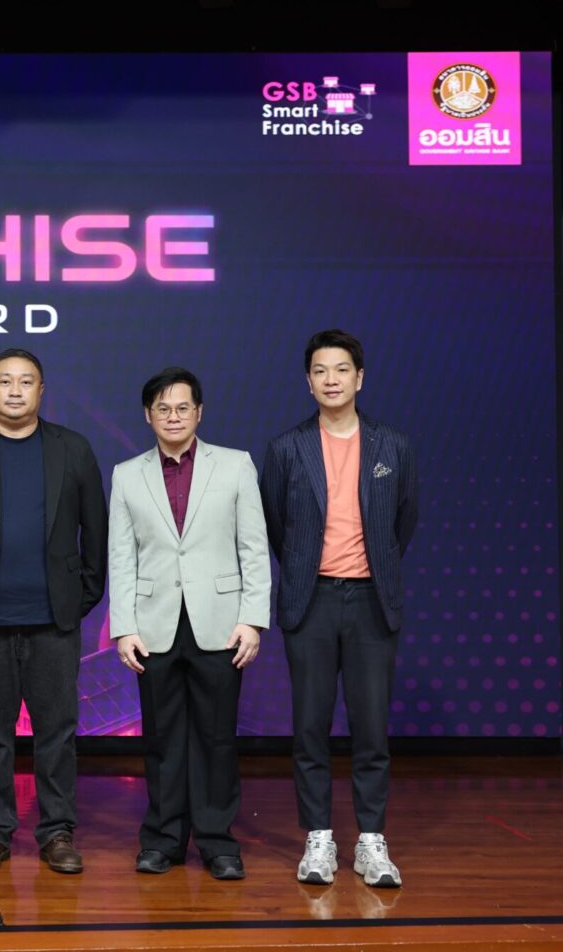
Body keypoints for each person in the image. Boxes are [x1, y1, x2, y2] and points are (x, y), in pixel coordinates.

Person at [0, 349, 108, 874]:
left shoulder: (72, 448)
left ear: (41, 390)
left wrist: (81, 598)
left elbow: (96, 531)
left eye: (25, 382)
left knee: (58, 731)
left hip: (54, 619)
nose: (15, 390)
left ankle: (57, 832)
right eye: (5, 381)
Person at [259, 329, 418, 889]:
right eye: (321, 371)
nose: (331, 380)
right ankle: (319, 838)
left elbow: (403, 521)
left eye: (342, 369)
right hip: (313, 601)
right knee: (310, 727)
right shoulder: (286, 448)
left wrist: (371, 568)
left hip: (373, 600)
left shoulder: (392, 446)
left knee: (371, 729)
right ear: (308, 382)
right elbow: (277, 525)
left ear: (360, 378)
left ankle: (372, 840)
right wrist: (310, 571)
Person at [108, 367, 269, 880]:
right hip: (153, 625)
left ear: (199, 412)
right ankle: (163, 839)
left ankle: (218, 842)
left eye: (182, 408)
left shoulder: (236, 465)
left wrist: (252, 620)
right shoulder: (127, 474)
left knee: (217, 738)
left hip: (221, 624)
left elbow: (254, 548)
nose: (173, 417)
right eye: (163, 408)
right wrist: (123, 626)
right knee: (162, 739)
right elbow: (121, 556)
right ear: (148, 415)